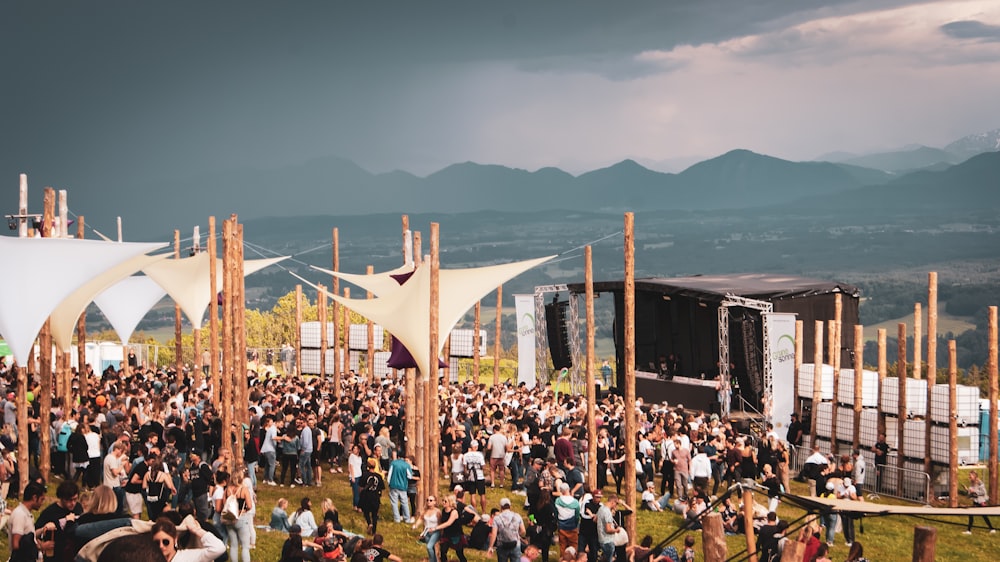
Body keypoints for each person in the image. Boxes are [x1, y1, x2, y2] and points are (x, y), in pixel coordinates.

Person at [36, 480, 83, 562]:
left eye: (75, 499)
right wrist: (42, 545)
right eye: (69, 500)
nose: (72, 503)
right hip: (55, 556)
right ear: (61, 498)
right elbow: (34, 533)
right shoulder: (50, 512)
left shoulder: (78, 508)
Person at [151, 515, 227, 562]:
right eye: (157, 543)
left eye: (165, 542)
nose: (161, 546)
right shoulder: (150, 558)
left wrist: (197, 530)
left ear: (175, 539)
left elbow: (218, 548)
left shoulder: (188, 557)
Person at [9, 482, 50, 562]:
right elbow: (16, 544)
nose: (42, 503)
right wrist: (41, 547)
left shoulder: (27, 514)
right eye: (41, 499)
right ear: (34, 498)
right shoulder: (19, 515)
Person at [489, 497, 526, 562]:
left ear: (501, 507)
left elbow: (494, 534)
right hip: (515, 544)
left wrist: (490, 547)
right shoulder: (517, 516)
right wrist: (516, 534)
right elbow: (523, 531)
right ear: (510, 506)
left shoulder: (497, 518)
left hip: (502, 545)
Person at [435, 494, 469, 562]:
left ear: (450, 502)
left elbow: (448, 523)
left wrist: (435, 528)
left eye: (445, 501)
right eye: (443, 501)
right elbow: (442, 522)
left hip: (456, 535)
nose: (443, 503)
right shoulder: (443, 511)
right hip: (446, 535)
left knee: (459, 553)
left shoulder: (454, 512)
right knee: (443, 551)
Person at [963, 470, 996, 535]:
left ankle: (992, 529)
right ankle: (969, 531)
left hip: (981, 502)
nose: (969, 477)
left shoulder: (980, 483)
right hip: (975, 501)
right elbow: (972, 493)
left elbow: (983, 492)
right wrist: (967, 490)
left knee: (984, 516)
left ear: (974, 476)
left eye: (970, 476)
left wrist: (974, 491)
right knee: (971, 515)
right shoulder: (972, 483)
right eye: (969, 476)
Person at [359, 458, 386, 534]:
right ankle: (374, 531)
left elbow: (361, 486)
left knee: (366, 512)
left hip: (366, 496)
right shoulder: (379, 476)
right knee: (374, 514)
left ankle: (369, 523)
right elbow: (382, 488)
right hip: (375, 497)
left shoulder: (365, 475)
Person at [386, 452, 414, 523]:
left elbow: (389, 475)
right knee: (404, 503)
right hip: (403, 486)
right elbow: (410, 476)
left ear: (397, 457)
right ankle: (407, 518)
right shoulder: (406, 465)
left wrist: (389, 483)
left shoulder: (393, 463)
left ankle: (397, 519)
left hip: (393, 485)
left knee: (394, 503)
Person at [554, 482, 580, 557]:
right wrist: (576, 524)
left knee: (562, 546)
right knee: (573, 545)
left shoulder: (558, 501)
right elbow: (577, 515)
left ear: (561, 491)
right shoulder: (575, 502)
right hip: (572, 526)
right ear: (568, 489)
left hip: (561, 526)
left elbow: (556, 513)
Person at [414, 494, 442, 562]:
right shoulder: (425, 511)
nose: (429, 502)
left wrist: (441, 532)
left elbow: (440, 523)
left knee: (429, 547)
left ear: (435, 502)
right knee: (431, 548)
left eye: (431, 500)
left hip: (435, 531)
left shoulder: (438, 512)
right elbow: (421, 518)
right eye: (427, 500)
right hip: (426, 531)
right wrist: (416, 525)